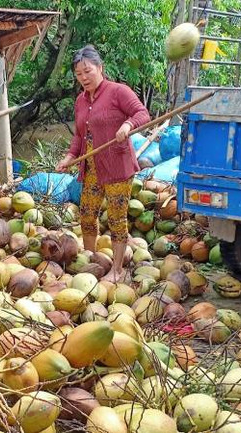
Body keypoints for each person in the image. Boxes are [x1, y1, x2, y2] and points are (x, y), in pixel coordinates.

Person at [56, 45, 150, 283]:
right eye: (78, 74)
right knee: (87, 215)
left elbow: (142, 113)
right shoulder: (80, 101)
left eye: (88, 71)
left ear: (100, 68)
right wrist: (69, 156)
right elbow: (79, 135)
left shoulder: (118, 91)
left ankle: (117, 271)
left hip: (117, 167)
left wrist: (128, 125)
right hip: (92, 169)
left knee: (117, 219)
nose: (84, 77)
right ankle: (91, 259)